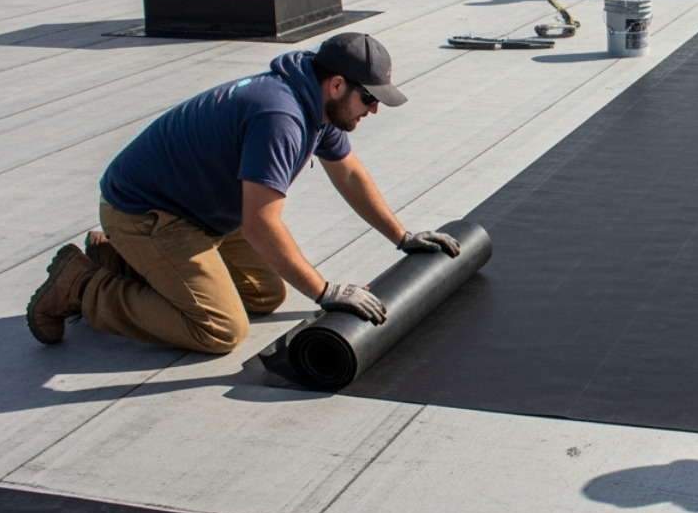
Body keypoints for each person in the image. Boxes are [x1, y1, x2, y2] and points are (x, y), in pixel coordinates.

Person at [25, 32, 461, 355]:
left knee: (265, 295)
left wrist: (402, 238)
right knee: (219, 330)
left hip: (201, 211)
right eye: (369, 99)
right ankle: (80, 284)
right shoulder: (281, 116)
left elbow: (348, 174)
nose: (374, 110)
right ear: (337, 85)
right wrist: (325, 291)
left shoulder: (316, 104)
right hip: (149, 213)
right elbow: (260, 222)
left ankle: (118, 258)